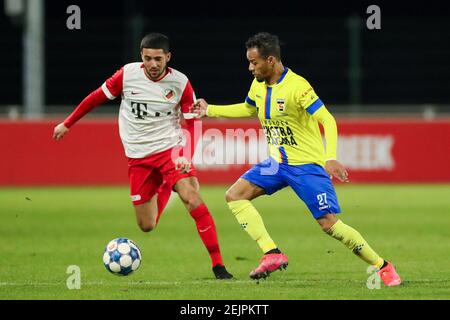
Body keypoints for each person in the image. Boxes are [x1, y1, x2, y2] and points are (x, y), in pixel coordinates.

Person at [193, 32, 401, 286]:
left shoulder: (298, 87)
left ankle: (383, 266)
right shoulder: (258, 85)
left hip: (305, 167)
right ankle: (272, 253)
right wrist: (209, 109)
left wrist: (331, 157)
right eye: (249, 62)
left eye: (254, 62)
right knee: (234, 196)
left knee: (328, 224)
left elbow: (327, 120)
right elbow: (249, 108)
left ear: (270, 60)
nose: (250, 68)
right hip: (276, 164)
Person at [53, 32, 233, 280]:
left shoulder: (181, 83)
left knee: (192, 197)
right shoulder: (127, 75)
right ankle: (166, 187)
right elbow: (96, 97)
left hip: (170, 150)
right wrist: (67, 123)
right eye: (148, 58)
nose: (153, 64)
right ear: (142, 57)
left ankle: (218, 266)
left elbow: (192, 122)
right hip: (138, 157)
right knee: (146, 225)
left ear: (168, 57)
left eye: (158, 58)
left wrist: (186, 155)